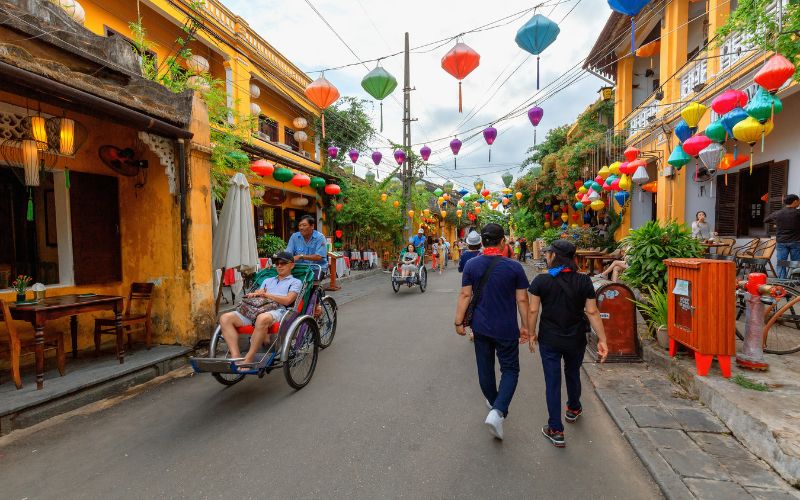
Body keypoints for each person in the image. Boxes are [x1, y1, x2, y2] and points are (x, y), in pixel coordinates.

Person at [527, 240, 608, 448]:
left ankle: (556, 429)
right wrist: (603, 339)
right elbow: (592, 311)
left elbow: (533, 310)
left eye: (548, 253)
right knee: (572, 373)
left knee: (552, 382)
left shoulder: (541, 281)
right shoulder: (584, 281)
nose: (546, 256)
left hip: (550, 339)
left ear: (555, 256)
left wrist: (531, 333)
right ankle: (573, 408)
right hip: (575, 338)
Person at [454, 223, 530, 440]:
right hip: (506, 328)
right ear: (503, 241)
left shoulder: (472, 265)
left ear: (483, 242)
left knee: (484, 367)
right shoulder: (514, 267)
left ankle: (495, 404)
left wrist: (458, 322)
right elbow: (522, 298)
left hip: (481, 327)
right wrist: (526, 326)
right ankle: (498, 411)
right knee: (510, 369)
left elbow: (464, 296)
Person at [218, 252, 302, 366]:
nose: (279, 266)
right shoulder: (268, 280)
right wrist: (255, 294)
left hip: (278, 310)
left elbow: (288, 300)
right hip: (257, 309)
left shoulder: (296, 282)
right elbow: (260, 295)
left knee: (262, 319)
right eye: (277, 263)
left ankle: (249, 357)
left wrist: (267, 295)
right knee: (225, 318)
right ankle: (236, 356)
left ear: (291, 265)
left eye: (283, 263)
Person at [765, 194, 800, 278]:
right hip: (796, 242)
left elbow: (766, 220)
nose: (799, 203)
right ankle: (795, 281)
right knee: (796, 263)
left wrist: (777, 224)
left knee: (781, 263)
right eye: (799, 201)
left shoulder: (778, 213)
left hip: (781, 242)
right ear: (795, 201)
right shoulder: (798, 213)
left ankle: (782, 283)